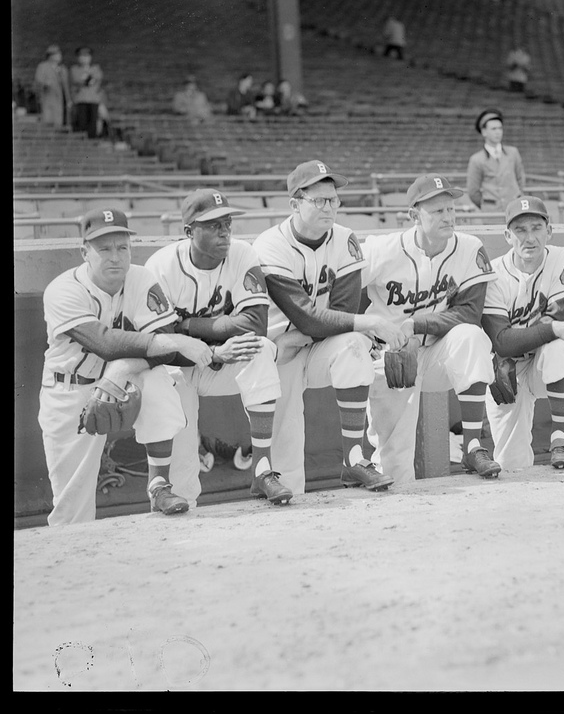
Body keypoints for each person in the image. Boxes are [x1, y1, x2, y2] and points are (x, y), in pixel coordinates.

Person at [38, 207, 215, 526]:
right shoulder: (63, 290)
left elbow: (163, 347)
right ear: (84, 252)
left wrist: (121, 370)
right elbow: (104, 342)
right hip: (70, 391)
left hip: (125, 380)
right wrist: (174, 342)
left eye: (122, 247)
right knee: (71, 508)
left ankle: (159, 485)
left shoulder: (140, 278)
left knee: (160, 378)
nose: (115, 256)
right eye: (104, 248)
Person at [252, 160, 409, 496]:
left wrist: (310, 334)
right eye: (319, 200)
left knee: (354, 343)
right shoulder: (269, 244)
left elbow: (344, 310)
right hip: (277, 352)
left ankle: (354, 459)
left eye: (334, 200)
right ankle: (278, 507)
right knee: (286, 444)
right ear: (295, 203)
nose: (329, 207)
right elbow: (307, 314)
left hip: (311, 342)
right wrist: (369, 321)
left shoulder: (344, 238)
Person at [144, 189, 293, 508]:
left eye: (227, 222)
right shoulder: (160, 266)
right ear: (188, 232)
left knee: (259, 347)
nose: (224, 230)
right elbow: (160, 344)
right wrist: (213, 342)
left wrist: (188, 327)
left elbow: (254, 324)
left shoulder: (242, 254)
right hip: (177, 370)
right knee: (183, 475)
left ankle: (263, 470)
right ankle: (169, 511)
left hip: (220, 366)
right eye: (212, 225)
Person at [361, 173, 500, 485]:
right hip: (393, 356)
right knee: (393, 461)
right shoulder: (382, 249)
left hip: (438, 353)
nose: (448, 217)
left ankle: (473, 445)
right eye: (437, 211)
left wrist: (415, 325)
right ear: (414, 215)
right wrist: (365, 332)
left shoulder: (468, 247)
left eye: (450, 209)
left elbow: (469, 312)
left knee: (471, 337)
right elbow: (341, 291)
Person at [482, 196, 564, 471]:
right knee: (511, 463)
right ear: (507, 235)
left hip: (544, 364)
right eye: (520, 230)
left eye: (536, 228)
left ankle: (561, 438)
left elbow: (561, 321)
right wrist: (551, 327)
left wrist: (552, 329)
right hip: (506, 372)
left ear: (549, 231)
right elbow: (502, 343)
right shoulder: (493, 274)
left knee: (559, 347)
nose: (529, 238)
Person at [466, 108, 526, 210]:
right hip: (492, 213)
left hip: (514, 209)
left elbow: (520, 179)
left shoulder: (513, 153)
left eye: (500, 128)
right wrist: (487, 206)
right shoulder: (476, 159)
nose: (498, 132)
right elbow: (473, 191)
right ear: (484, 132)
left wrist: (516, 197)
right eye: (493, 129)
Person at [68, 46, 104, 139]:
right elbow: (77, 80)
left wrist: (87, 79)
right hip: (81, 99)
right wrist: (88, 80)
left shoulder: (96, 68)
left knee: (93, 122)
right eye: (82, 56)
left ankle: (92, 140)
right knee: (81, 121)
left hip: (93, 99)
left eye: (87, 56)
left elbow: (97, 79)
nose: (84, 58)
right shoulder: (74, 69)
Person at [34, 44, 70, 128]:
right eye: (57, 54)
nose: (60, 56)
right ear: (50, 56)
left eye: (60, 54)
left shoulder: (62, 68)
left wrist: (68, 99)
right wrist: (45, 83)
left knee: (59, 119)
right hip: (47, 96)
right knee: (48, 117)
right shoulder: (43, 66)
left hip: (59, 97)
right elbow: (38, 80)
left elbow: (66, 85)